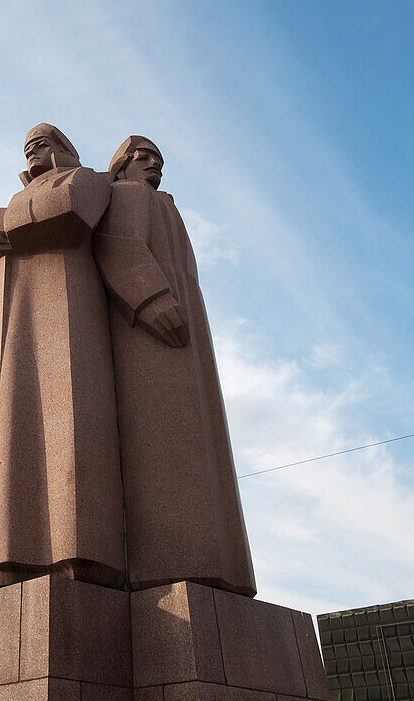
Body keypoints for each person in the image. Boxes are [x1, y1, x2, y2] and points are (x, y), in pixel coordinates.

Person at [0, 124, 125, 597]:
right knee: (7, 438)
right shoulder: (6, 209)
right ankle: (4, 558)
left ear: (65, 151)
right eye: (27, 144)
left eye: (44, 141)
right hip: (9, 337)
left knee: (67, 429)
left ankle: (76, 552)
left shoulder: (86, 180)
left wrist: (3, 222)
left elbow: (69, 211)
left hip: (69, 318)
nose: (32, 146)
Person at [93, 135, 257, 597]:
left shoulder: (163, 205)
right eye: (144, 157)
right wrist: (150, 298)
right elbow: (117, 243)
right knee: (166, 444)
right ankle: (175, 560)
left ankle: (208, 564)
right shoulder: (127, 195)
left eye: (159, 161)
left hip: (184, 343)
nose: (154, 166)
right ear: (122, 165)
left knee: (197, 447)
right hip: (149, 338)